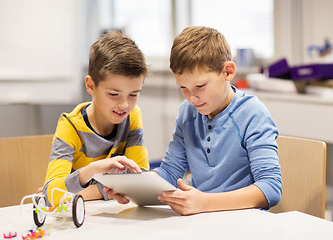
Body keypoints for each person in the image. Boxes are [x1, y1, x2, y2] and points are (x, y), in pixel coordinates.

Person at [106, 26, 282, 216]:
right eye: (183, 88)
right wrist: (134, 186)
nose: (192, 97)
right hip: (201, 220)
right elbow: (171, 171)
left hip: (244, 221)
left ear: (228, 71)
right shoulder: (188, 112)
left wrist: (205, 202)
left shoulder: (252, 114)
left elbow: (270, 188)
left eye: (200, 86)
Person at [42, 31, 149, 207]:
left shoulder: (132, 116)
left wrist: (80, 193)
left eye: (133, 94)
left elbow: (139, 180)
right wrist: (93, 171)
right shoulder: (70, 126)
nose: (124, 105)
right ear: (91, 85)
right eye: (114, 94)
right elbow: (50, 195)